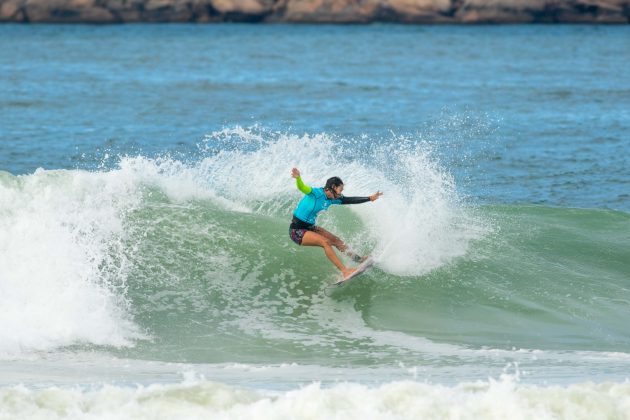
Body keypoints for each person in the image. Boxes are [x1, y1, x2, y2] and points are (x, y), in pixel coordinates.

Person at [289, 167, 383, 278]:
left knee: (336, 241)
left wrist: (369, 198)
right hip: (296, 230)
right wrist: (298, 178)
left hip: (310, 227)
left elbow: (349, 200)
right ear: (333, 187)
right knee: (326, 242)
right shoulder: (315, 193)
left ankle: (360, 259)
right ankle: (345, 271)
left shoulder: (332, 199)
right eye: (340, 189)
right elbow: (302, 187)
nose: (341, 193)